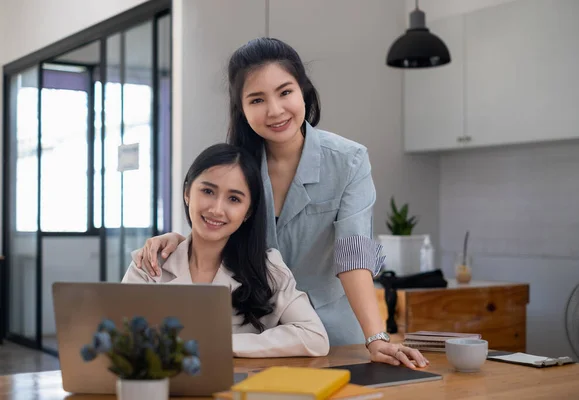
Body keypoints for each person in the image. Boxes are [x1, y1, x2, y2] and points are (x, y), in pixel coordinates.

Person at [135, 38, 428, 368]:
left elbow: (353, 254)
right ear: (242, 109)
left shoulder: (349, 161)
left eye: (285, 92)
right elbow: (218, 227)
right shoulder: (237, 168)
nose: (274, 110)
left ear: (303, 90)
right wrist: (178, 241)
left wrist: (376, 336)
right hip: (255, 334)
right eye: (257, 99)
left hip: (331, 337)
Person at [123, 143, 329, 359]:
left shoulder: (267, 267)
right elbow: (119, 337)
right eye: (208, 191)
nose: (216, 209)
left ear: (248, 211)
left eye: (234, 199)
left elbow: (315, 337)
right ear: (187, 193)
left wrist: (219, 343)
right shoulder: (150, 264)